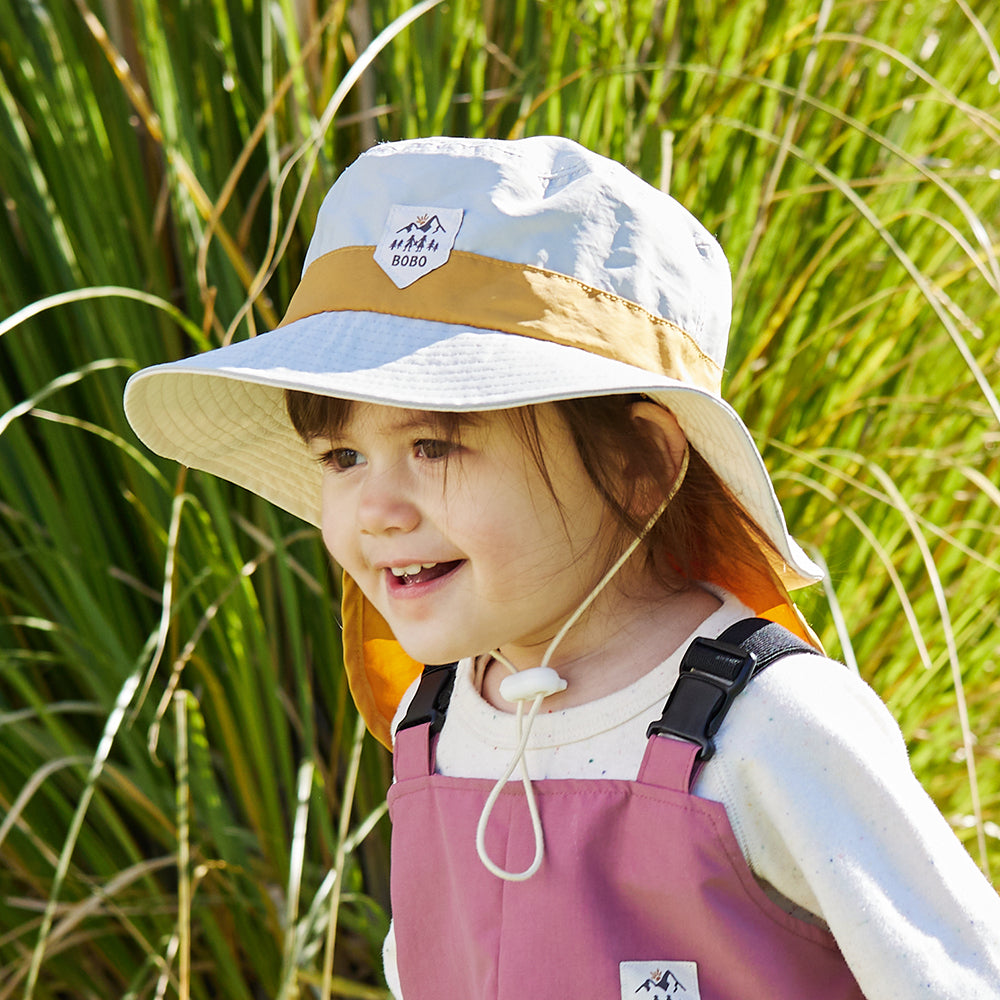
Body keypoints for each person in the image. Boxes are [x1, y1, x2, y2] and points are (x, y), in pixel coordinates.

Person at [124, 136, 1000, 999]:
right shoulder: (435, 720)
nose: (377, 509)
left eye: (434, 446)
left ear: (637, 463)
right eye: (343, 458)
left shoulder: (773, 727)